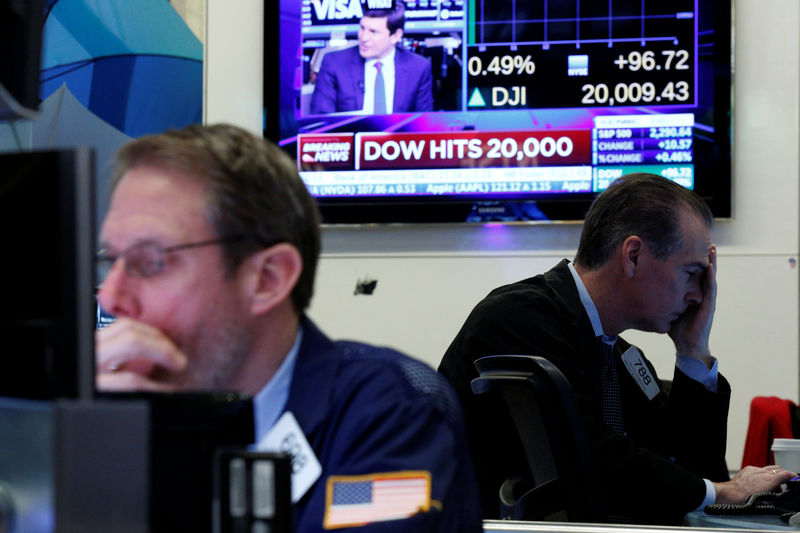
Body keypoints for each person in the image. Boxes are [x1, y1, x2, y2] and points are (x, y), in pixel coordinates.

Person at [95, 123, 481, 532]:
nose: (110, 297)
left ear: (268, 278)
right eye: (112, 260)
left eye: (151, 262)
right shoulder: (125, 422)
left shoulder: (390, 414)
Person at [438, 173, 796, 525]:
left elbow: (689, 470)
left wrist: (692, 350)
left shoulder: (619, 354)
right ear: (634, 256)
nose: (698, 296)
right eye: (690, 273)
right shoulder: (518, 317)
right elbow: (592, 459)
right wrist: (721, 492)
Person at [309, 1, 433, 115]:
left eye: (373, 32)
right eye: (362, 28)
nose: (364, 38)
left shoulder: (418, 68)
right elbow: (321, 122)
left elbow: (424, 124)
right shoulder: (334, 63)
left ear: (395, 36)